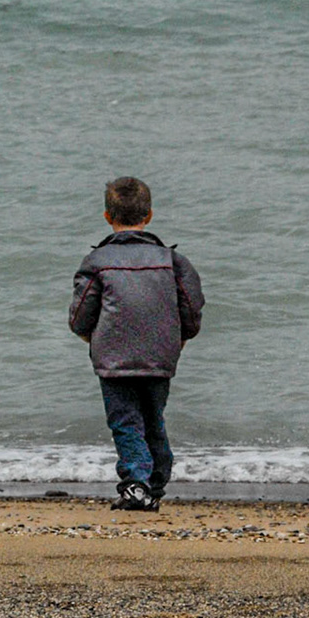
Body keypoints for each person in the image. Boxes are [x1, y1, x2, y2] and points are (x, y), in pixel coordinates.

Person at [68, 176, 204, 512]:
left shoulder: (97, 262)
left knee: (125, 421)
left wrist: (87, 334)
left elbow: (81, 314)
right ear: (149, 215)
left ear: (107, 216)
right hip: (161, 355)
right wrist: (183, 337)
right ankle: (155, 482)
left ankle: (137, 484)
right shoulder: (174, 261)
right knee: (152, 417)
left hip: (113, 358)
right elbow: (191, 307)